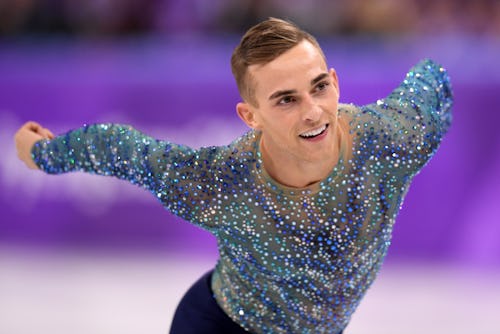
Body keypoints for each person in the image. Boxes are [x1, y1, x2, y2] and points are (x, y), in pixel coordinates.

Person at [14, 17, 452, 334]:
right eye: (286, 100)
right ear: (250, 115)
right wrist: (44, 154)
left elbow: (431, 81)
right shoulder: (222, 180)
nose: (314, 111)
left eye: (319, 86)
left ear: (335, 80)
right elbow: (128, 151)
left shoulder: (391, 139)